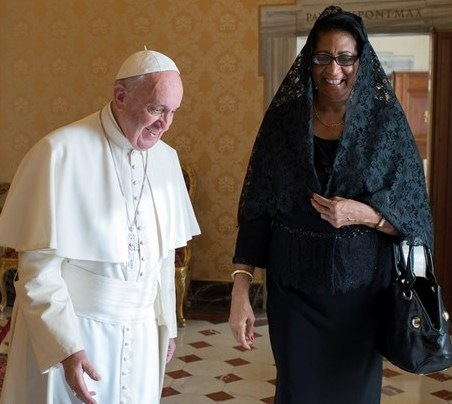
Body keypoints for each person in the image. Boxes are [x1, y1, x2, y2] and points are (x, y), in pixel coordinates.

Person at [229, 5, 433, 404]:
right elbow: (258, 207)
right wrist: (240, 289)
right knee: (297, 392)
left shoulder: (386, 126)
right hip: (294, 289)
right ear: (309, 60)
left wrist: (365, 214)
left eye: (344, 58)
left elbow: (414, 217)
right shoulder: (283, 122)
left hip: (363, 296)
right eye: (322, 57)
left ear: (361, 61)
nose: (333, 69)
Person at [0, 48, 200, 404]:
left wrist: (166, 324)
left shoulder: (167, 159)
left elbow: (164, 259)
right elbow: (38, 271)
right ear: (120, 97)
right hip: (76, 330)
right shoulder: (59, 152)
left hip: (142, 334)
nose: (165, 124)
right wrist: (66, 347)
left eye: (173, 112)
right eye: (156, 109)